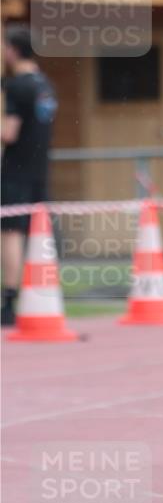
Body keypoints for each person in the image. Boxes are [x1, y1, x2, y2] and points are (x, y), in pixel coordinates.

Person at [1, 25, 58, 326]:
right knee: (39, 233)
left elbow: (9, 133)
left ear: (12, 50)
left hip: (15, 171)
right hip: (39, 169)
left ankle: (9, 302)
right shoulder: (45, 85)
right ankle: (41, 296)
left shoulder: (16, 87)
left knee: (10, 233)